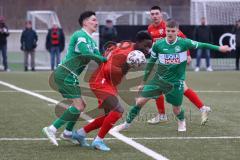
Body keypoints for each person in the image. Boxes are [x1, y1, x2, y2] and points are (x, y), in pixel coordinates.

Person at [114, 19, 231, 132]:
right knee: (139, 102)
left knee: (176, 109)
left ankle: (181, 121)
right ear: (166, 30)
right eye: (168, 31)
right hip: (158, 80)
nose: (170, 33)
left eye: (172, 31)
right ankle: (126, 124)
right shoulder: (158, 45)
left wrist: (219, 48)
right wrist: (143, 82)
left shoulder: (184, 43)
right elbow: (150, 64)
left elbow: (202, 45)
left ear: (177, 31)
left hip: (175, 82)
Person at [71, 31, 152, 151]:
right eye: (145, 46)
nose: (147, 49)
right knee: (118, 110)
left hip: (107, 81)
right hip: (101, 80)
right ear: (138, 42)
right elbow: (110, 68)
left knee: (108, 114)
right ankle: (98, 141)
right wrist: (126, 66)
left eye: (149, 46)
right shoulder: (126, 54)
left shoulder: (129, 45)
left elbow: (112, 47)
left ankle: (80, 133)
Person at [42, 11, 107, 146]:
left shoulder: (91, 40)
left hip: (71, 76)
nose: (96, 22)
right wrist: (103, 58)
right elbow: (86, 53)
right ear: (85, 22)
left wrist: (111, 56)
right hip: (64, 74)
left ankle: (67, 133)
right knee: (78, 105)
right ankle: (51, 129)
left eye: (96, 20)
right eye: (93, 20)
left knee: (81, 105)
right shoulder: (79, 35)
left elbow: (99, 57)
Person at [147, 6, 211, 125]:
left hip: (175, 62)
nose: (154, 16)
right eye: (152, 14)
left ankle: (162, 115)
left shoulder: (170, 27)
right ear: (150, 16)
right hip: (163, 61)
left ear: (161, 15)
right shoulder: (150, 28)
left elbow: (184, 41)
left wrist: (187, 55)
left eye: (157, 13)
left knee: (158, 88)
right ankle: (203, 108)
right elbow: (156, 44)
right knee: (183, 88)